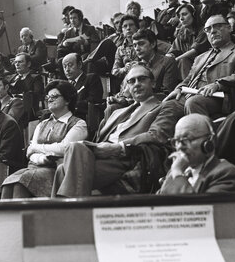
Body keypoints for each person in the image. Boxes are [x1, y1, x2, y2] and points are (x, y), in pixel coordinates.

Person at [52, 65, 180, 197]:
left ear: (152, 83)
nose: (136, 84)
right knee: (64, 165)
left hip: (128, 158)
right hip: (101, 155)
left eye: (141, 79)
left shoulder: (166, 106)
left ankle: (68, 213)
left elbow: (157, 135)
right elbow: (98, 138)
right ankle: (64, 213)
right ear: (127, 87)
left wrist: (118, 147)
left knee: (73, 153)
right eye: (131, 81)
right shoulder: (117, 112)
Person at [1, 81, 87, 199]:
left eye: (54, 96)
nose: (49, 100)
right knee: (8, 182)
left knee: (21, 182)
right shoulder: (42, 124)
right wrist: (42, 158)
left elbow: (65, 149)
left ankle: (23, 217)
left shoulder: (78, 124)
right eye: (48, 97)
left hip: (57, 171)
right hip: (34, 167)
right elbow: (29, 152)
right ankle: (9, 217)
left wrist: (36, 148)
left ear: (67, 100)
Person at [164, 15, 235, 117]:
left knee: (193, 102)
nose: (212, 31)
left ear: (229, 28)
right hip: (189, 95)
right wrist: (179, 88)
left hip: (219, 97)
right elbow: (188, 79)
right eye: (208, 29)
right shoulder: (200, 57)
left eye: (218, 26)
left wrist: (218, 85)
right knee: (163, 106)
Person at [159, 114, 235, 194]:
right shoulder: (174, 171)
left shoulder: (226, 173)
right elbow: (158, 204)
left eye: (187, 139)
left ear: (209, 142)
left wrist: (177, 174)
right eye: (176, 141)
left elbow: (199, 207)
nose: (180, 146)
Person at [166, 3, 209, 79]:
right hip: (187, 67)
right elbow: (172, 50)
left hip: (202, 65)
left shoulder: (203, 30)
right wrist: (169, 57)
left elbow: (194, 51)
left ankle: (188, 87)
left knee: (183, 61)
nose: (181, 18)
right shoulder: (182, 33)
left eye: (184, 14)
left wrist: (176, 59)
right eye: (179, 16)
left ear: (193, 15)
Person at [62, 52, 103, 121]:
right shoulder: (65, 85)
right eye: (65, 66)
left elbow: (93, 100)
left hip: (81, 117)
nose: (67, 70)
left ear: (80, 65)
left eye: (70, 65)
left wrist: (68, 105)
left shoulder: (91, 78)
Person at [8, 52, 44, 121]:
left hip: (26, 108)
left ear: (28, 64)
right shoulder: (12, 78)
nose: (17, 64)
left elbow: (37, 94)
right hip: (10, 105)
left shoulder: (35, 78)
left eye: (20, 62)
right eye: (15, 62)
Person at [111, 14, 139, 79]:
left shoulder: (145, 42)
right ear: (122, 30)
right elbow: (114, 71)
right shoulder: (120, 49)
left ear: (137, 28)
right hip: (128, 81)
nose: (128, 28)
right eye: (125, 26)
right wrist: (124, 69)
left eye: (131, 25)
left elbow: (167, 48)